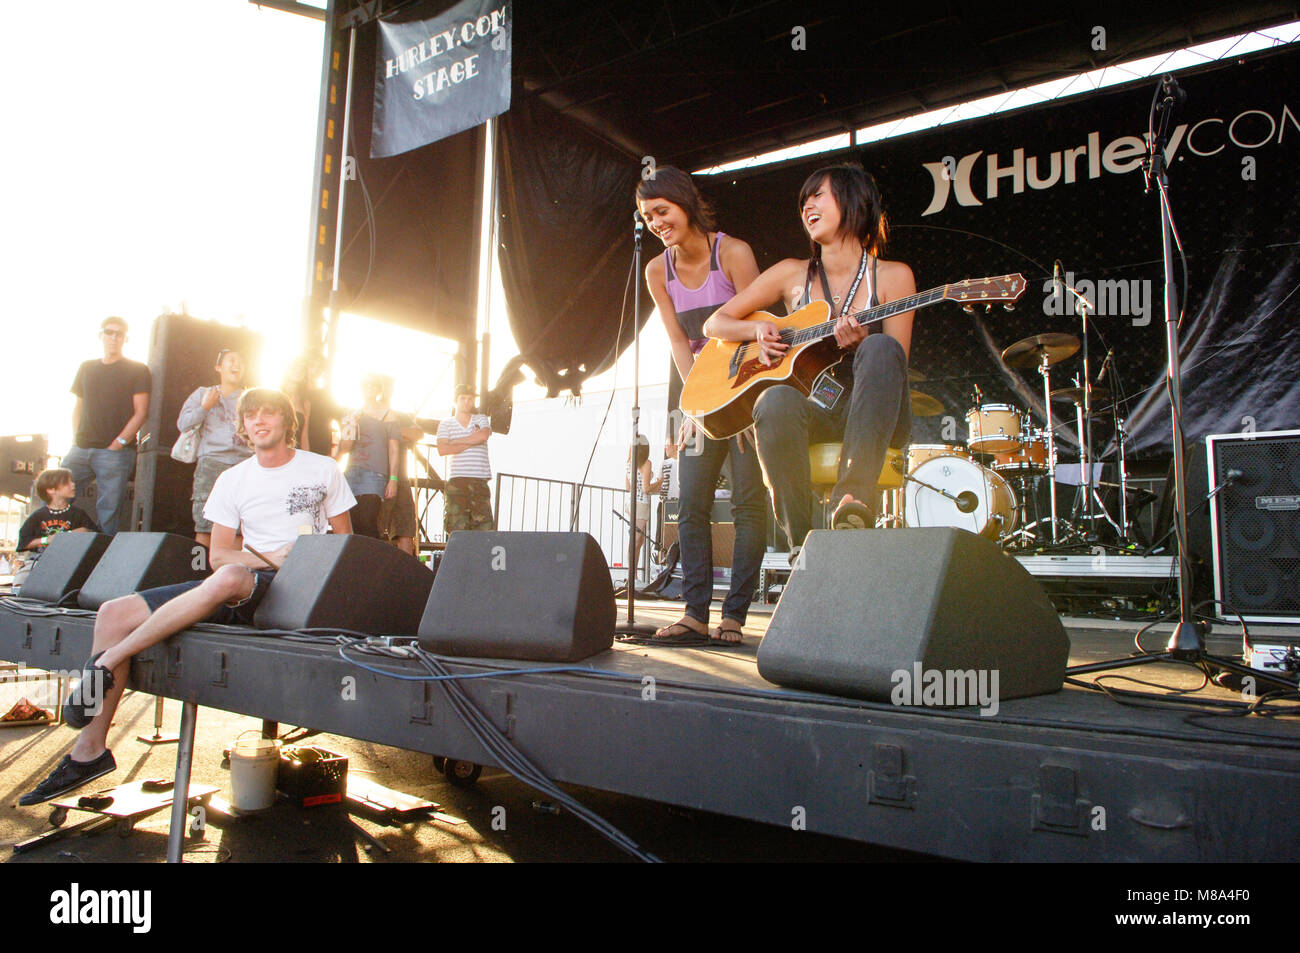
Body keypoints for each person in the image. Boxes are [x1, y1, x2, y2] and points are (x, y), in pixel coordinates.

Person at [19, 388, 355, 806]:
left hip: (300, 589)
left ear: (288, 421)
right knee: (111, 612)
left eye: (269, 413)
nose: (259, 421)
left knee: (231, 575)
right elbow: (217, 555)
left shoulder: (322, 469)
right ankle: (89, 753)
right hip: (244, 579)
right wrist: (268, 556)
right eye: (251, 415)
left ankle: (105, 661)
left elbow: (346, 545)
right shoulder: (232, 479)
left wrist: (300, 560)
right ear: (243, 426)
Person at [702, 163, 913, 556]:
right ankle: (801, 541)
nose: (807, 206)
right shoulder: (791, 273)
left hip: (871, 411)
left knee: (881, 348)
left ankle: (853, 501)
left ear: (853, 200)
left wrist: (858, 346)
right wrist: (757, 332)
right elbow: (715, 323)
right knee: (774, 401)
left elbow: (895, 370)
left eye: (819, 196)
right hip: (815, 411)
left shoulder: (894, 275)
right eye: (804, 201)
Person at [636, 165, 768, 645]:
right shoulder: (657, 271)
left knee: (750, 503)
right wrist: (694, 406)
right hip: (699, 398)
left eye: (662, 210)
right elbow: (677, 343)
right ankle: (694, 612)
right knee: (689, 503)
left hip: (748, 389)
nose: (655, 221)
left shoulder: (732, 253)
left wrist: (746, 401)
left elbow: (758, 327)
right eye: (647, 215)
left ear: (685, 204)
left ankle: (734, 613)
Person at [65, 316, 151, 535]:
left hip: (114, 453)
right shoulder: (86, 368)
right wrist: (76, 438)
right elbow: (78, 406)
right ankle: (44, 550)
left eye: (119, 334)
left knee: (108, 511)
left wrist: (119, 443)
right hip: (80, 449)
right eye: (109, 332)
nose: (114, 338)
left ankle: (100, 559)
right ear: (100, 335)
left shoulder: (137, 369)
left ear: (125, 339)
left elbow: (141, 412)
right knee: (57, 496)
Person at [176, 348, 253, 548]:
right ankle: (198, 572)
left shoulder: (250, 397)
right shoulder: (203, 393)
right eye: (232, 360)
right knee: (204, 526)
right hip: (211, 464)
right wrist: (205, 407)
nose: (237, 365)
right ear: (218, 367)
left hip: (242, 465)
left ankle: (230, 573)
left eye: (241, 362)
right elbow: (183, 424)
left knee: (238, 526)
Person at [369, 375, 428, 555]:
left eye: (390, 387)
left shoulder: (400, 415)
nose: (388, 390)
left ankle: (406, 572)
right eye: (385, 386)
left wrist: (391, 432)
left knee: (406, 527)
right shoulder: (366, 413)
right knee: (375, 527)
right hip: (374, 477)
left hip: (400, 477)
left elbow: (417, 433)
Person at [338, 373, 400, 538]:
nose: (370, 389)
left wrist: (393, 479)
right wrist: (350, 426)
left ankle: (371, 561)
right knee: (352, 523)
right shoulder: (350, 413)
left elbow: (394, 448)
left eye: (374, 385)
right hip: (351, 472)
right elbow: (344, 447)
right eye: (366, 385)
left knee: (368, 521)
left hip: (374, 473)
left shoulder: (389, 414)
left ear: (379, 389)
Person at [437, 385, 494, 533]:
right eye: (463, 398)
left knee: (483, 526)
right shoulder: (446, 423)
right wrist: (472, 439)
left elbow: (483, 436)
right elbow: (443, 449)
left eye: (470, 399)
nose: (467, 402)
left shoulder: (480, 418)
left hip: (479, 479)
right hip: (458, 479)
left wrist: (455, 442)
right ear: (455, 400)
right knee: (457, 526)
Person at [17, 469, 100, 552]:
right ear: (51, 490)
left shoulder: (78, 514)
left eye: (72, 481)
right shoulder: (37, 516)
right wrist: (47, 540)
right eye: (66, 483)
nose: (73, 485)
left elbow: (98, 538)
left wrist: (87, 531)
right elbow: (24, 543)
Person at [282, 353, 342, 458]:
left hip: (315, 452)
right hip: (282, 453)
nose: (316, 370)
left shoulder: (309, 401)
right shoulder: (277, 395)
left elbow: (343, 418)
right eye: (312, 366)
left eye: (319, 367)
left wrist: (340, 453)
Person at [626, 435, 654, 578]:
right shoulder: (646, 463)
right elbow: (646, 488)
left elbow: (627, 486)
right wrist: (660, 482)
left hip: (631, 503)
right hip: (641, 504)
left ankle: (633, 575)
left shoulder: (629, 463)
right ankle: (633, 576)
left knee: (637, 540)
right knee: (636, 540)